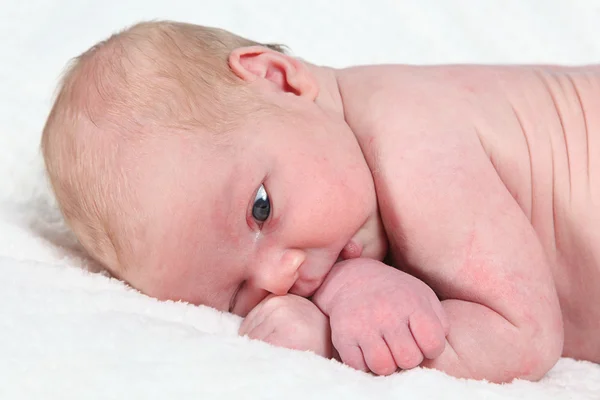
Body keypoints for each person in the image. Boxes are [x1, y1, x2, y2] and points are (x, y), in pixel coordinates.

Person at [41, 20, 600, 383]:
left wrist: (332, 343)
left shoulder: (410, 140)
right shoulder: (334, 193)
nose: (280, 278)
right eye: (238, 292)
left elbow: (523, 335)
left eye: (260, 209)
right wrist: (352, 286)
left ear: (280, 80)